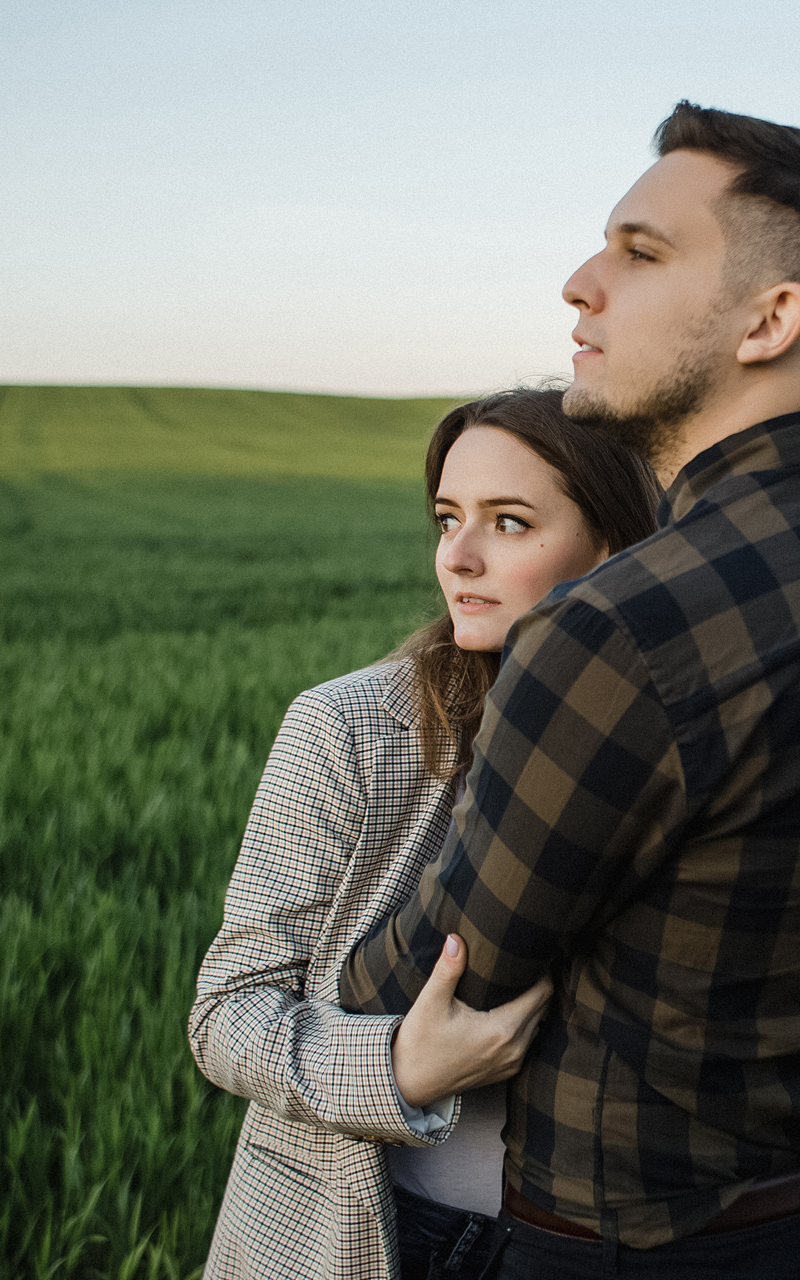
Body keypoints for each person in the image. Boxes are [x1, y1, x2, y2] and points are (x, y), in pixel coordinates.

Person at [339, 102, 800, 1278]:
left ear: (769, 319)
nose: (579, 283)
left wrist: (348, 964)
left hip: (642, 1250)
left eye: (641, 251)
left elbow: (438, 974)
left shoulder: (619, 630)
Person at [190, 388, 661, 1280]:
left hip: (594, 1249)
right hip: (378, 1234)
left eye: (510, 524)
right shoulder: (352, 730)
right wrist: (402, 1068)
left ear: (613, 548)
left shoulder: (661, 742)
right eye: (449, 520)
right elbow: (226, 1014)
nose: (461, 559)